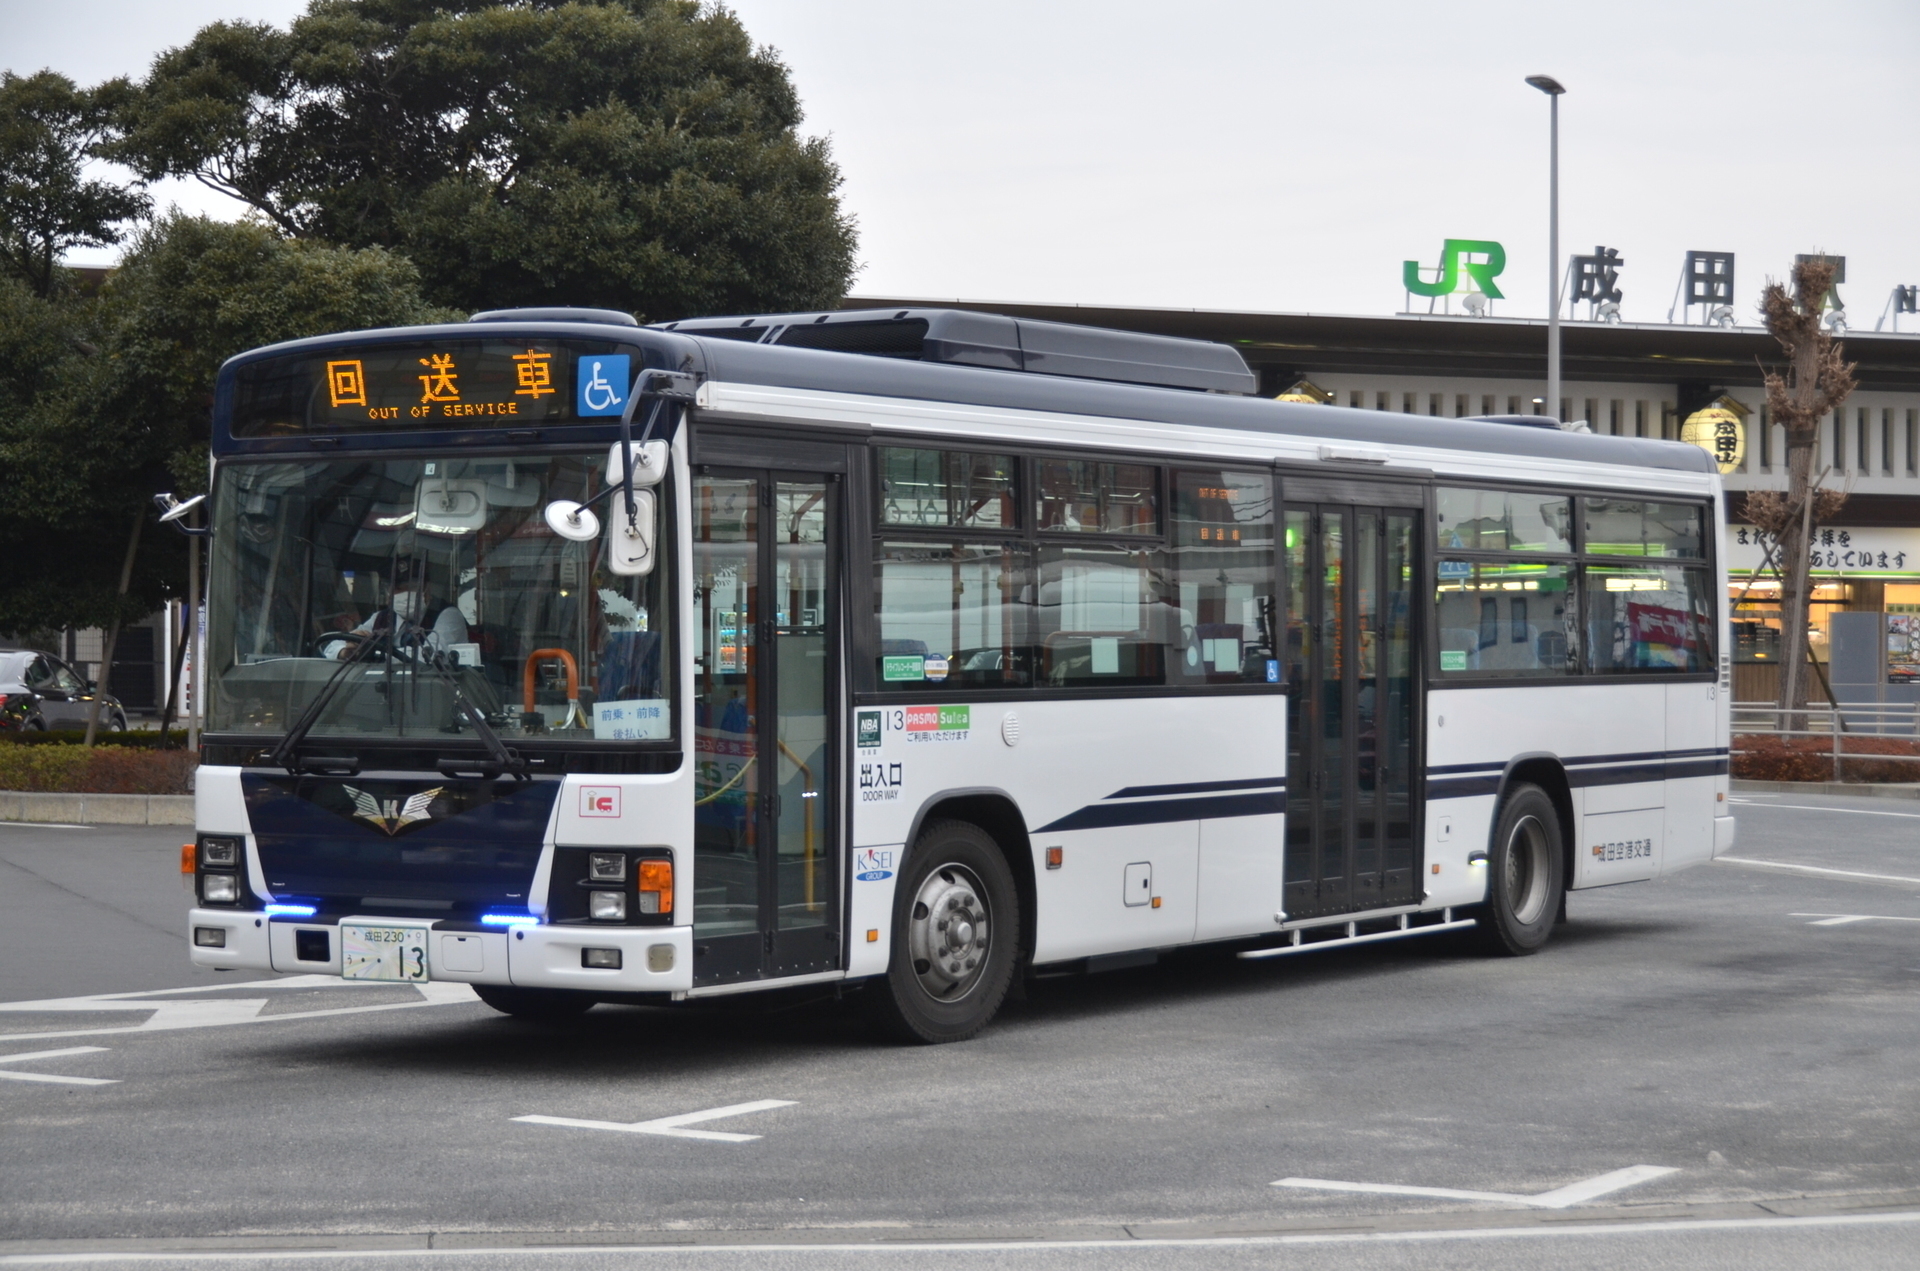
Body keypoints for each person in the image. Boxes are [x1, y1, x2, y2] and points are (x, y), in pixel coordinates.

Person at [320, 558, 468, 659]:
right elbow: (332, 647)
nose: (404, 593)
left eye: (411, 587)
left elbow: (430, 655)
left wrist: (371, 652)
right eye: (398, 588)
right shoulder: (380, 618)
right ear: (389, 593)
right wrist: (347, 651)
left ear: (427, 590)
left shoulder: (448, 615)